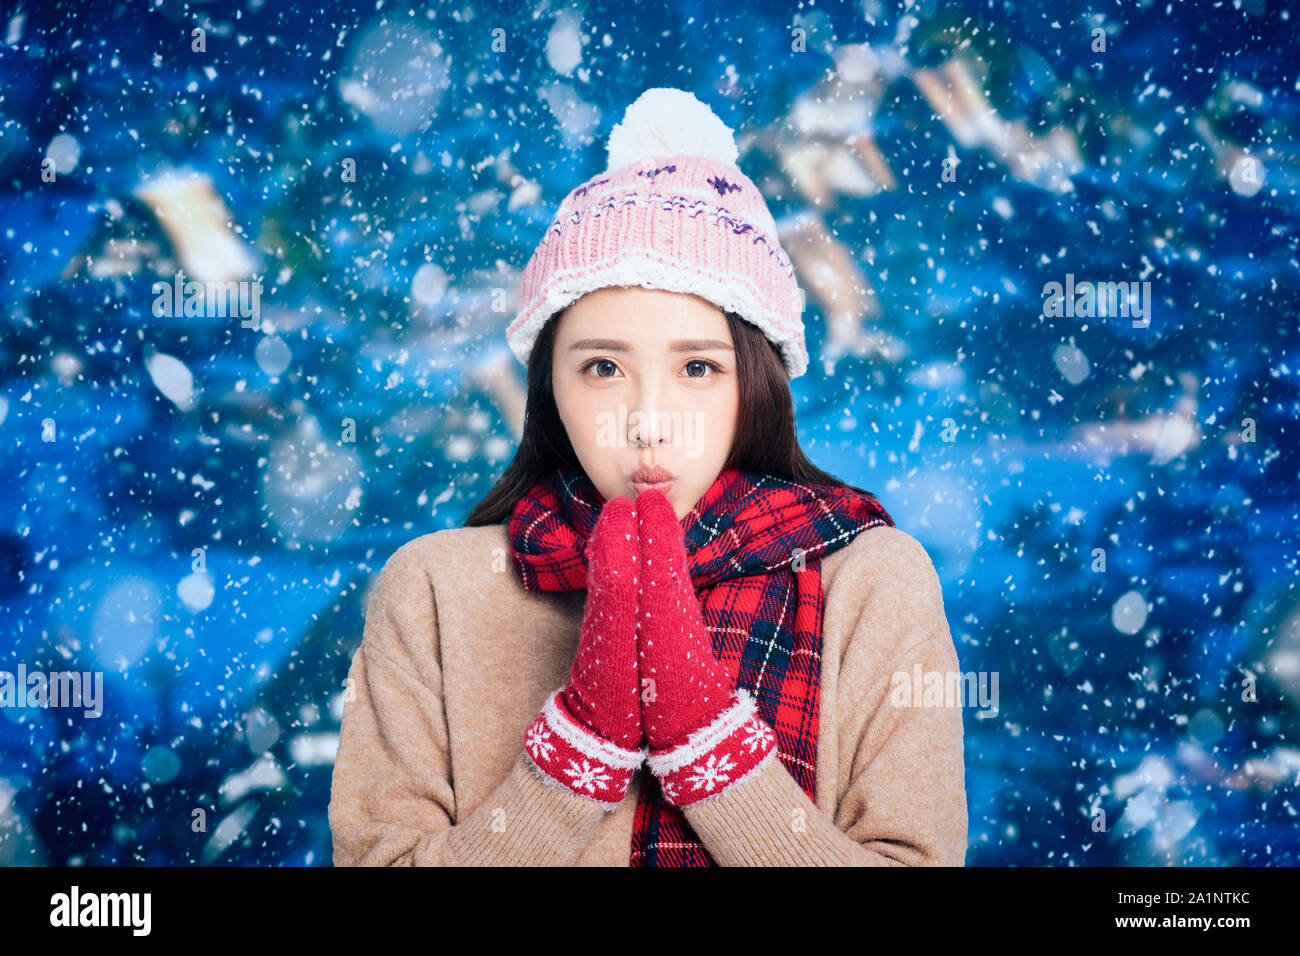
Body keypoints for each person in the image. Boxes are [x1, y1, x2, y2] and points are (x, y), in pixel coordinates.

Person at [328, 88, 967, 866]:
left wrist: (707, 742)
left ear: (754, 383)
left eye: (698, 366)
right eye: (602, 367)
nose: (648, 421)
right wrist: (579, 751)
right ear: (550, 388)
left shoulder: (871, 581)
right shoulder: (433, 589)